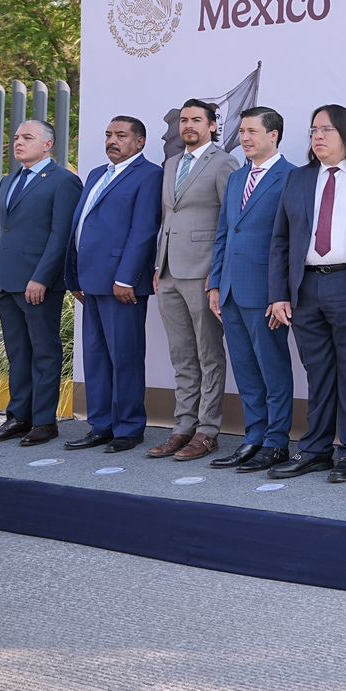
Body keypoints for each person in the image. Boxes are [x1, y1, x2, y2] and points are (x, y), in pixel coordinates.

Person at [266, 105, 346, 483]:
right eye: (314, 130)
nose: (317, 137)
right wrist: (279, 294)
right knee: (317, 372)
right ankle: (316, 449)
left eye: (326, 130)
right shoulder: (299, 178)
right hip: (305, 287)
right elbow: (280, 239)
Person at [0, 121, 82, 442]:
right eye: (17, 137)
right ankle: (19, 417)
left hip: (39, 285)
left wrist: (41, 278)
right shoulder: (8, 181)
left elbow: (61, 236)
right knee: (18, 353)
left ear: (48, 144)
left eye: (27, 137)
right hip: (7, 283)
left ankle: (44, 422)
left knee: (44, 352)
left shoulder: (64, 181)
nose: (18, 142)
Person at [64, 116, 163, 453]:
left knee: (125, 357)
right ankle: (101, 425)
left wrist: (126, 277)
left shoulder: (149, 175)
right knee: (95, 357)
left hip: (121, 283)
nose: (112, 141)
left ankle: (129, 428)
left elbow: (144, 230)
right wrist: (74, 275)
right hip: (90, 280)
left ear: (140, 142)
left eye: (121, 135)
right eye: (109, 134)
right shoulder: (96, 174)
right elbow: (81, 226)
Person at [148, 99, 238, 462]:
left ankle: (207, 431)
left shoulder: (224, 162)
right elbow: (167, 218)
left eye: (196, 120)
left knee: (208, 355)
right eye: (184, 119)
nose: (188, 125)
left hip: (202, 272)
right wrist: (158, 266)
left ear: (212, 126)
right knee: (182, 355)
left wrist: (217, 274)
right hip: (169, 271)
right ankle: (182, 427)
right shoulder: (171, 163)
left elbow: (229, 222)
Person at [206, 106, 296, 473]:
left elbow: (291, 242)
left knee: (273, 370)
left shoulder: (292, 178)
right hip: (231, 291)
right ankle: (254, 436)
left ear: (273, 135)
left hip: (266, 293)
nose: (244, 138)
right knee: (245, 370)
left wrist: (280, 293)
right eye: (242, 131)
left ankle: (276, 442)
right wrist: (215, 283)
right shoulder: (236, 178)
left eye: (251, 131)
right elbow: (224, 234)